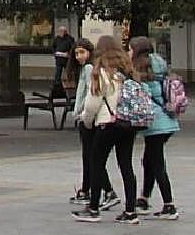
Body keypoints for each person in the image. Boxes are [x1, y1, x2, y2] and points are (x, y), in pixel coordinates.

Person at [71, 35, 139, 224]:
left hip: (108, 123)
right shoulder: (128, 70)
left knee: (96, 162)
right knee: (126, 165)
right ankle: (131, 210)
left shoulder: (102, 72)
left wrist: (86, 120)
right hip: (128, 123)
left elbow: (93, 103)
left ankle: (93, 208)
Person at [130, 36, 180, 220]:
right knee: (149, 159)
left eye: (130, 49)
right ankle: (144, 198)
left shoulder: (142, 68)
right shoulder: (160, 62)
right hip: (167, 119)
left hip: (155, 122)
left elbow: (145, 94)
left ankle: (169, 204)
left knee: (157, 163)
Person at [67, 37, 117, 209]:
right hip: (88, 116)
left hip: (89, 117)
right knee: (89, 157)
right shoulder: (86, 68)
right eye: (76, 53)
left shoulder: (89, 69)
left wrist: (82, 114)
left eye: (82, 52)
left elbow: (90, 93)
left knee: (92, 157)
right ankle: (87, 189)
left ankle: (107, 190)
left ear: (90, 52)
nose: (79, 56)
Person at [51, 25, 75, 98]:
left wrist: (69, 54)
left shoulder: (69, 38)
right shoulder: (56, 39)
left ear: (65, 32)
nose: (61, 33)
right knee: (58, 71)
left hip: (66, 58)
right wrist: (55, 53)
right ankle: (57, 84)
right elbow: (53, 47)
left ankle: (70, 83)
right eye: (60, 31)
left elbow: (72, 47)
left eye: (62, 31)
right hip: (59, 58)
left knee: (68, 70)